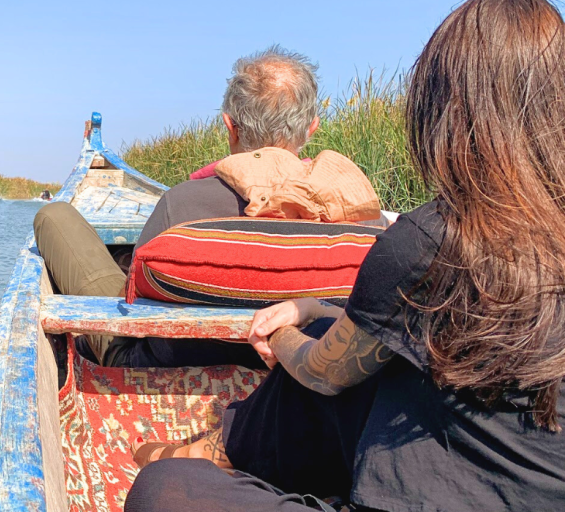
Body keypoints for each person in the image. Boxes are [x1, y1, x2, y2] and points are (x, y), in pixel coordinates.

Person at [125, 1, 565, 511]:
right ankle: (220, 447)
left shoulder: (432, 240)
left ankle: (212, 451)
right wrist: (314, 309)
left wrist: (282, 331)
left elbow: (320, 370)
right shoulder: (423, 232)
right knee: (337, 341)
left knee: (162, 493)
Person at [34, 46, 323, 368]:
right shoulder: (353, 214)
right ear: (312, 127)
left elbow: (136, 299)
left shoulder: (182, 203)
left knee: (53, 215)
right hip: (292, 364)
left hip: (150, 362)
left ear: (229, 125)